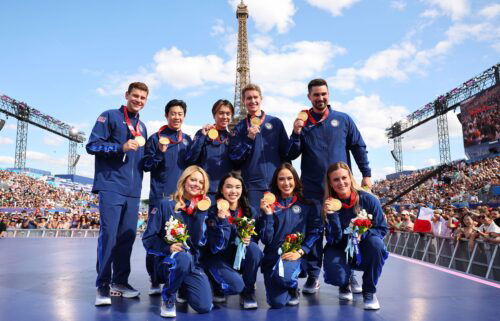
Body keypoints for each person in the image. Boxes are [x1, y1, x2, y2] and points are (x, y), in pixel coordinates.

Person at [287, 78, 372, 293]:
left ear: (329, 94)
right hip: (313, 188)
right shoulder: (303, 123)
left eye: (323, 94)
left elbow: (358, 146)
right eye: (316, 95)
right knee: (314, 232)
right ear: (309, 97)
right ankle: (313, 275)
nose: (320, 98)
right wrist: (296, 132)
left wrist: (367, 174)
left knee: (346, 231)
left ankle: (349, 274)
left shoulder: (343, 120)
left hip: (340, 189)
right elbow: (291, 153)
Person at [86, 82, 149, 306]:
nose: (138, 100)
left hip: (133, 191)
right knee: (109, 236)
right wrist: (119, 148)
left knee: (127, 238)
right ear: (126, 95)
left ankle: (120, 282)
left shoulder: (142, 127)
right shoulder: (109, 116)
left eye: (143, 98)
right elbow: (92, 145)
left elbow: (142, 162)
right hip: (111, 186)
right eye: (135, 96)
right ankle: (102, 286)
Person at [142, 165, 213, 318]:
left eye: (201, 182)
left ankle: (183, 286)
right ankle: (168, 297)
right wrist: (167, 248)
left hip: (191, 263)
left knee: (204, 306)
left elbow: (199, 242)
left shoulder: (201, 209)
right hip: (167, 261)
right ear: (184, 181)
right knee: (182, 258)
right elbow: (148, 239)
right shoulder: (165, 204)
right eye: (193, 179)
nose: (196, 184)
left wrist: (201, 214)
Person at [322, 162, 388, 310]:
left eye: (344, 178)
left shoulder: (369, 199)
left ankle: (369, 291)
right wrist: (332, 216)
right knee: (335, 276)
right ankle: (345, 282)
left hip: (362, 247)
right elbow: (333, 239)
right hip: (339, 247)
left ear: (350, 178)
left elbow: (382, 229)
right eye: (336, 180)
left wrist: (361, 235)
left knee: (377, 245)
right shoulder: (328, 205)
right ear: (330, 184)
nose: (341, 183)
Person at [143, 99, 192, 295]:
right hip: (159, 197)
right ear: (166, 115)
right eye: (173, 113)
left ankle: (177, 278)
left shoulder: (187, 140)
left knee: (180, 239)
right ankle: (155, 279)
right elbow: (146, 166)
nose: (176, 117)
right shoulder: (155, 139)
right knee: (157, 239)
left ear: (184, 116)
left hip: (181, 200)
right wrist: (159, 154)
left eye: (180, 114)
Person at [258, 163, 322, 308]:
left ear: (296, 180)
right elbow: (266, 239)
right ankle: (287, 286)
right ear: (276, 182)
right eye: (281, 179)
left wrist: (300, 251)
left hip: (295, 255)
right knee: (276, 303)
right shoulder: (269, 205)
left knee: (286, 278)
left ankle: (291, 284)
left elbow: (315, 231)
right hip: (273, 258)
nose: (286, 183)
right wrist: (267, 215)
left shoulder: (307, 204)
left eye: (289, 178)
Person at [205, 172, 263, 309]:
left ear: (242, 189)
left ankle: (248, 292)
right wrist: (222, 221)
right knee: (235, 286)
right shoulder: (212, 212)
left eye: (238, 187)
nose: (233, 191)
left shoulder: (250, 212)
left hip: (239, 257)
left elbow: (256, 238)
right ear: (221, 189)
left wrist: (248, 239)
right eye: (229, 187)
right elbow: (214, 247)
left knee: (254, 249)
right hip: (219, 258)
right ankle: (216, 285)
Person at [229, 84, 290, 209]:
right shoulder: (239, 128)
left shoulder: (276, 122)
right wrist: (248, 139)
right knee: (255, 224)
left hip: (277, 184)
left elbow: (287, 154)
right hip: (253, 186)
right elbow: (235, 158)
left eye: (255, 97)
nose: (252, 101)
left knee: (278, 223)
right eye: (248, 98)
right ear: (243, 101)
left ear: (261, 99)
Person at [185, 100, 235, 202]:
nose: (224, 116)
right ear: (214, 115)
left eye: (228, 113)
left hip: (226, 192)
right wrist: (202, 137)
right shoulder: (203, 133)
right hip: (205, 190)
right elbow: (191, 159)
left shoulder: (232, 138)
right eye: (221, 113)